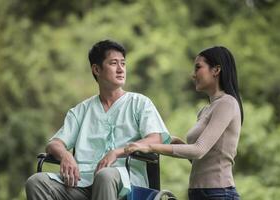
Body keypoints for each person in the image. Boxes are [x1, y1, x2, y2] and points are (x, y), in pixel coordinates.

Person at [25, 39, 171, 200]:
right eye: (113, 63)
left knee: (105, 175)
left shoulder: (140, 103)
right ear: (96, 69)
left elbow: (155, 139)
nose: (121, 69)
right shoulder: (81, 110)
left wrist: (117, 152)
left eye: (123, 63)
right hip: (82, 182)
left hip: (125, 182)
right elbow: (54, 144)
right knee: (36, 182)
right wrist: (66, 155)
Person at [125, 46, 243, 200]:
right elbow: (200, 160)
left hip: (219, 193)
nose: (193, 75)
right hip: (198, 194)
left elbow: (199, 150)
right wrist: (176, 141)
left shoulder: (227, 103)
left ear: (216, 70)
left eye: (198, 67)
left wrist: (149, 146)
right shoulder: (205, 110)